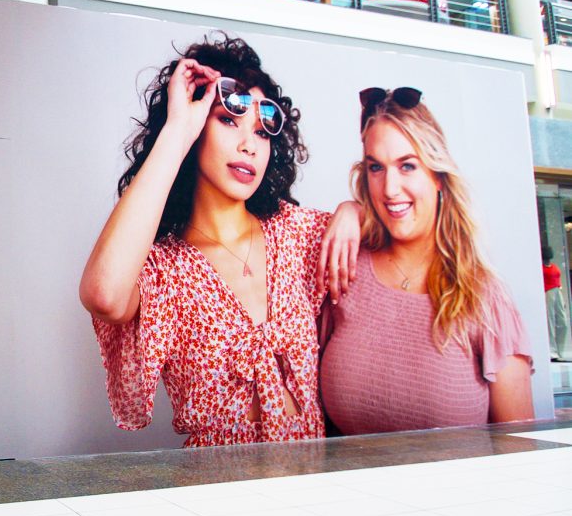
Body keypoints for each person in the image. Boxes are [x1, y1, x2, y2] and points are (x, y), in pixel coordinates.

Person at [80, 34, 354, 447]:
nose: (249, 145)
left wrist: (354, 209)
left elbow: (395, 228)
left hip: (312, 482)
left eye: (261, 132)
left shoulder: (297, 234)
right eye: (228, 120)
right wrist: (178, 131)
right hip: (215, 484)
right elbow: (103, 294)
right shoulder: (166, 270)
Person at [319, 87, 534, 433]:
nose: (390, 189)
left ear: (438, 176)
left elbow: (518, 447)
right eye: (376, 167)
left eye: (407, 166)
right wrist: (347, 209)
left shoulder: (483, 296)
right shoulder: (344, 270)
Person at [543, 245, 570, 360]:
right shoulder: (541, 268)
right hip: (547, 292)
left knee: (563, 322)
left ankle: (560, 350)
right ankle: (552, 352)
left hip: (557, 291)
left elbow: (558, 282)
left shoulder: (554, 266)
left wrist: (562, 299)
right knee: (550, 321)